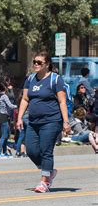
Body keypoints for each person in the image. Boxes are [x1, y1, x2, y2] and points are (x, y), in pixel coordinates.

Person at [16, 51, 71, 193]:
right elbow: (25, 99)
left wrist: (66, 122)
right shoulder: (30, 79)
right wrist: (19, 117)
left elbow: (62, 101)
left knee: (46, 151)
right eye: (34, 62)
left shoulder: (55, 79)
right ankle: (49, 170)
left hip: (52, 121)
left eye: (39, 62)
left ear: (47, 64)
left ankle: (44, 182)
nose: (35, 64)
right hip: (33, 121)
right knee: (31, 150)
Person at [0, 83, 17, 159]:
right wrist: (18, 106)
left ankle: (4, 153)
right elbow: (10, 105)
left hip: (1, 116)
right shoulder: (4, 96)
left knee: (6, 135)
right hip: (4, 116)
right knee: (4, 135)